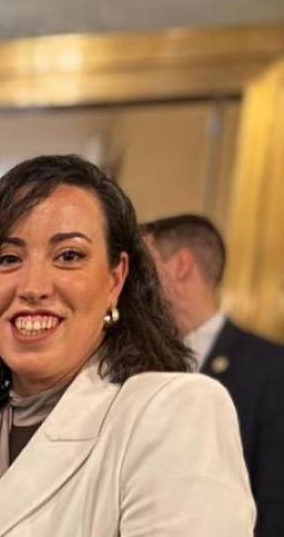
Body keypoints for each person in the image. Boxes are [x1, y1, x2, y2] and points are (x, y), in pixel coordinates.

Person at [0, 155, 254, 536]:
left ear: (115, 279)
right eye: (8, 258)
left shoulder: (175, 410)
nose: (33, 287)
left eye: (68, 256)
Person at [142, 214, 284, 536]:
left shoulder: (272, 369)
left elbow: (275, 501)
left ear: (181, 266)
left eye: (144, 265)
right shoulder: (137, 362)